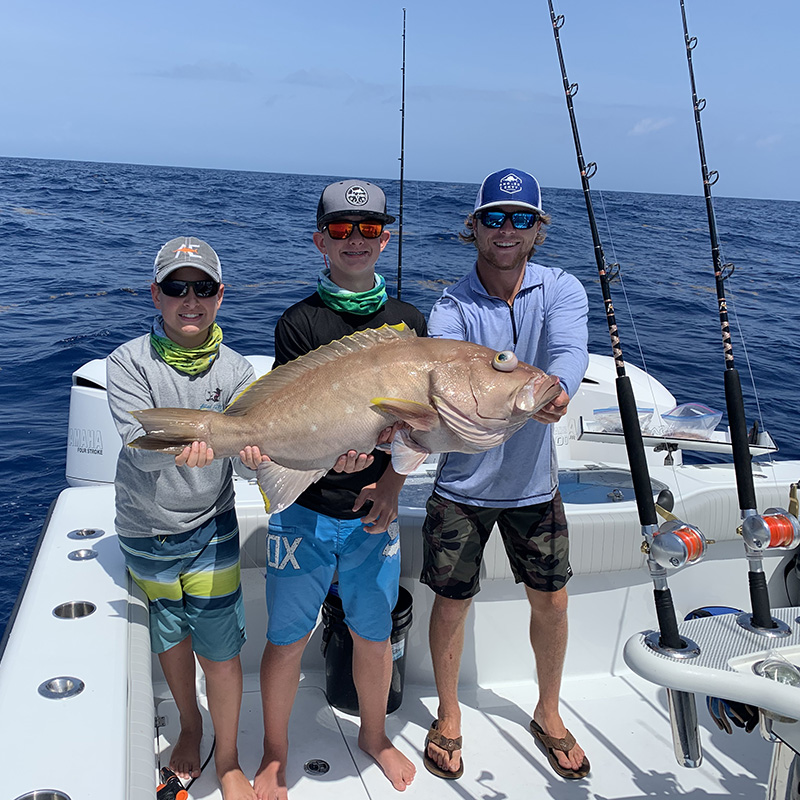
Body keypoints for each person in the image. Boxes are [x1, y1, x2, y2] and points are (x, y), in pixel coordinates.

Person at [253, 179, 426, 800]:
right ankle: (276, 752)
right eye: (341, 229)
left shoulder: (409, 323)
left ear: (387, 237)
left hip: (374, 512)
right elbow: (294, 418)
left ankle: (375, 736)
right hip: (304, 507)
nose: (356, 239)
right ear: (320, 239)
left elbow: (418, 428)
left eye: (370, 228)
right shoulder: (299, 322)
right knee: (286, 638)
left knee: (373, 634)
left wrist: (391, 482)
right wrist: (331, 458)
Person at [421, 169, 591, 781]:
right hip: (461, 486)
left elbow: (569, 351)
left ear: (538, 229)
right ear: (474, 227)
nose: (507, 229)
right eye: (494, 217)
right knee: (451, 602)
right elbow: (446, 378)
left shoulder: (562, 288)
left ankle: (548, 710)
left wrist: (559, 387)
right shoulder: (452, 306)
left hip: (533, 485)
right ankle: (448, 715)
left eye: (522, 218)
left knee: (553, 600)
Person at [107, 236, 264, 800]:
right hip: (146, 529)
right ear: (156, 295)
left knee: (220, 649)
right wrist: (204, 438)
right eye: (177, 287)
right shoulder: (127, 363)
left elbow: (246, 466)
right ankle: (190, 727)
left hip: (211, 528)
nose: (190, 299)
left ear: (220, 296)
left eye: (202, 288)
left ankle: (229, 759)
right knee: (171, 636)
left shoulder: (240, 371)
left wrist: (252, 457)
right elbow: (140, 447)